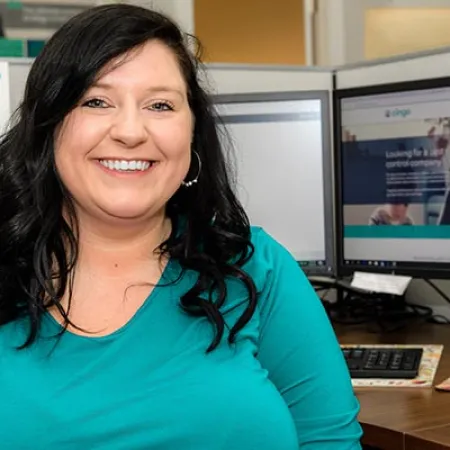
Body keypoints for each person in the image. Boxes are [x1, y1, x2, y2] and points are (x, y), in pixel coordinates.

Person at [0, 5, 362, 449]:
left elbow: (329, 439)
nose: (131, 131)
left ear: (192, 134)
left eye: (160, 105)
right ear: (48, 127)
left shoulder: (256, 269)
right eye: (96, 101)